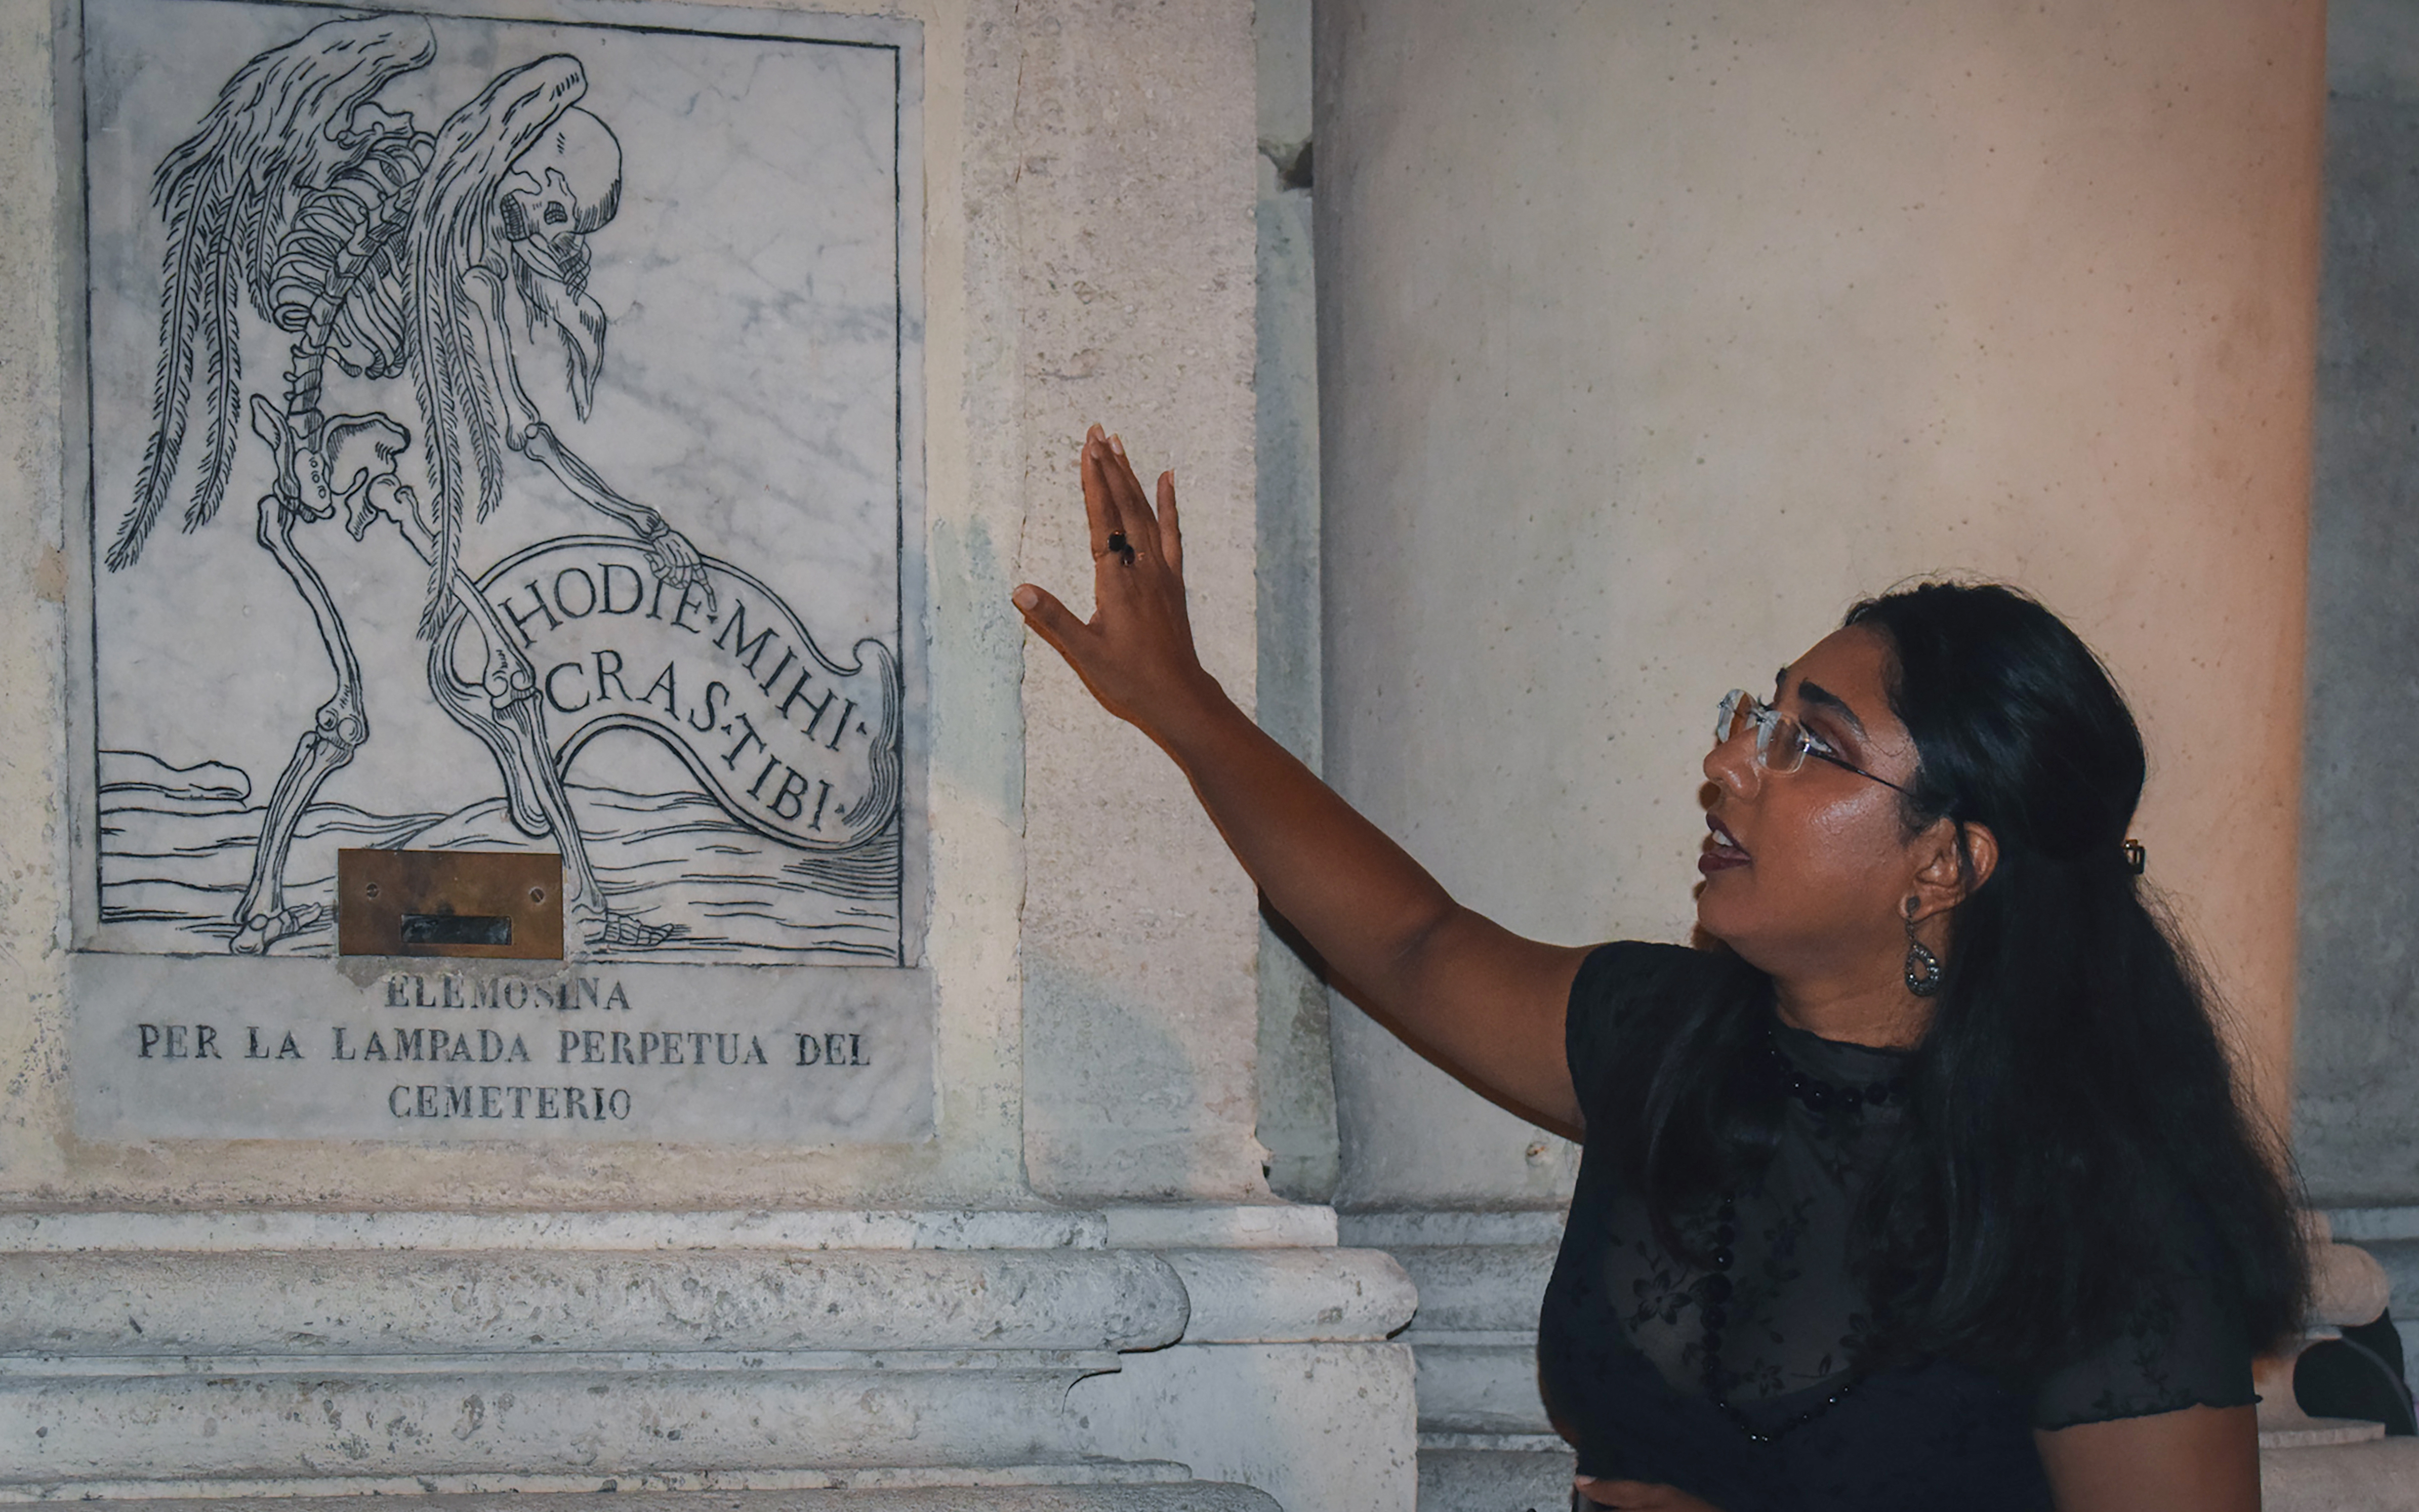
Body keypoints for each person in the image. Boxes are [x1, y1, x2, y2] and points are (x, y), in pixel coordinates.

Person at [1012, 427, 2309, 1512]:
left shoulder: (2108, 1229)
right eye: (1759, 716)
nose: (1727, 764)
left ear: (1947, 865)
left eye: (1810, 746)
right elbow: (1414, 943)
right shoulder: (1669, 1040)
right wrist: (1178, 703)